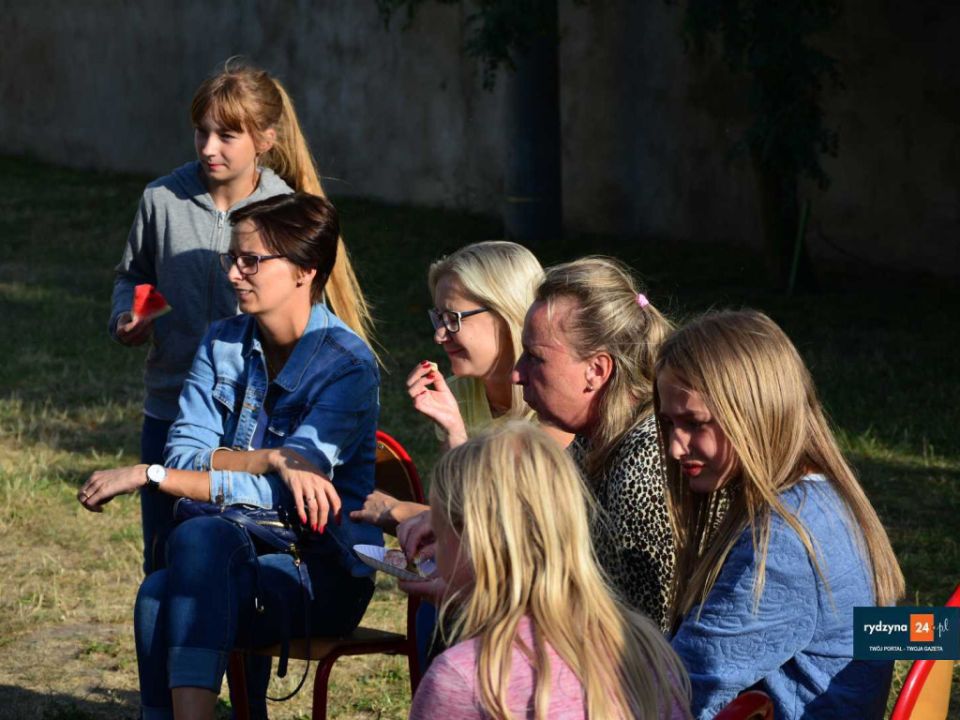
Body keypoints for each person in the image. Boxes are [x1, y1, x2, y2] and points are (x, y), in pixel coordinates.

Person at [79, 193, 381, 720]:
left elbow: (286, 495)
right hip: (229, 554)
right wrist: (271, 458)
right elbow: (184, 453)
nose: (234, 274)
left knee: (190, 554)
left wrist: (153, 475)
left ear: (305, 270)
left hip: (317, 571)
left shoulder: (347, 366)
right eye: (233, 258)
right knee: (162, 587)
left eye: (252, 261)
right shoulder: (222, 341)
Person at [109, 58, 374, 574]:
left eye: (226, 136)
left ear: (265, 139)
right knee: (165, 562)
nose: (209, 148)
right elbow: (133, 276)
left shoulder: (284, 212)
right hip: (172, 407)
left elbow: (308, 315)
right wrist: (128, 314)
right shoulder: (162, 199)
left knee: (239, 564)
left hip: (256, 423)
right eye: (201, 132)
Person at [656, 310, 905, 720]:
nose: (675, 447)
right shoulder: (826, 500)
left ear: (756, 414)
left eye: (695, 423)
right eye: (668, 423)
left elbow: (679, 693)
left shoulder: (784, 544)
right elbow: (906, 633)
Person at [404, 422, 692, 720]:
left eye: (439, 533)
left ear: (473, 538)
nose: (437, 551)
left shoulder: (465, 679)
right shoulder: (647, 650)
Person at [352, 241, 572, 534]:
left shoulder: (553, 404)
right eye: (438, 318)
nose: (440, 336)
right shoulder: (460, 393)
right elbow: (452, 507)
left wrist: (399, 511)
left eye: (453, 319)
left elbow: (506, 527)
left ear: (507, 314)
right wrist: (450, 427)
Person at [511, 257, 677, 631]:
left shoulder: (644, 468)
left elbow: (649, 633)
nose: (516, 374)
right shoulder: (597, 439)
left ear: (597, 371)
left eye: (535, 358)